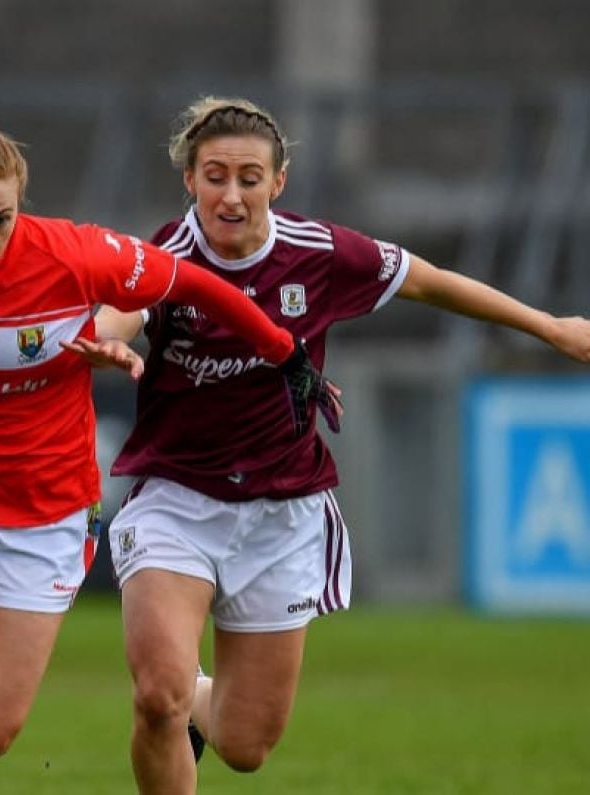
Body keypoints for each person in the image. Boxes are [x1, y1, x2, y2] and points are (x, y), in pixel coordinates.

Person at [0, 75, 325, 795]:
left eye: (2, 219)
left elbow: (191, 283)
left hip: (45, 509)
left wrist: (281, 350)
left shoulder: (72, 254)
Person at [64, 96, 590, 794]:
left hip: (282, 514)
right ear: (188, 180)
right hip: (175, 500)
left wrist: (548, 326)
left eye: (249, 177)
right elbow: (122, 309)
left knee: (245, 745)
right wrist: (106, 342)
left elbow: (431, 282)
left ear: (276, 183)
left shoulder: (319, 253)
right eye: (214, 175)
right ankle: (172, 691)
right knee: (155, 696)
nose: (231, 193)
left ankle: (191, 693)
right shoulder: (164, 256)